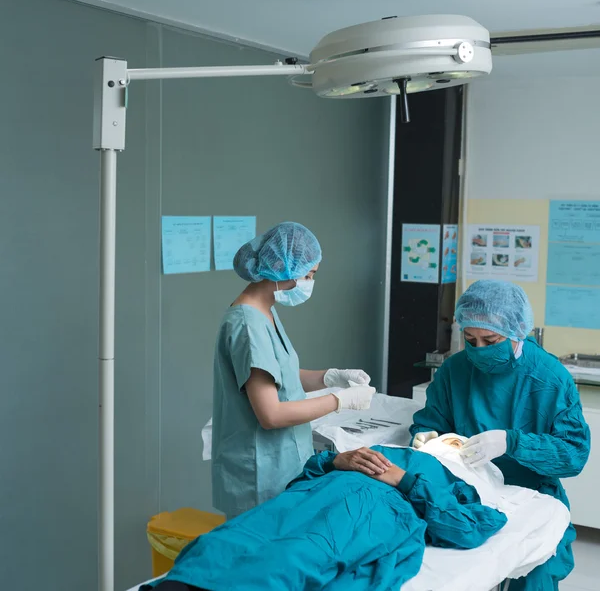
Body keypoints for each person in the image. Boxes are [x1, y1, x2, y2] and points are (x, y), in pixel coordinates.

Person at [143, 436, 508, 591]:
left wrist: (406, 481)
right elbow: (299, 480)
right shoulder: (381, 448)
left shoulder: (456, 479)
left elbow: (467, 529)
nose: (442, 441)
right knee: (227, 539)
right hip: (310, 495)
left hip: (372, 509)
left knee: (294, 555)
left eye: (452, 442)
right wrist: (335, 459)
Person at [410, 280, 591, 590]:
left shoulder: (549, 377)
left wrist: (513, 443)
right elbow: (431, 422)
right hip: (466, 491)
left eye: (490, 339)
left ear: (517, 330)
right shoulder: (455, 369)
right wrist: (427, 440)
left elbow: (573, 453)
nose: (478, 350)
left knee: (534, 576)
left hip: (530, 495)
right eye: (470, 339)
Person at [212, 222, 377, 520]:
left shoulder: (265, 311)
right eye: (308, 275)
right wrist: (341, 401)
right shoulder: (247, 325)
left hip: (282, 464)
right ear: (281, 266)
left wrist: (331, 377)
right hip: (259, 475)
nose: (309, 283)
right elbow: (271, 413)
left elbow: (280, 376)